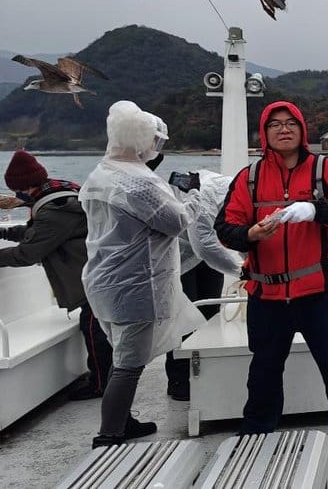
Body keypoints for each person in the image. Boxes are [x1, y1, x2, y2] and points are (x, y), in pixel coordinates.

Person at [215, 101, 328, 469]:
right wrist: (250, 234)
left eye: (291, 124)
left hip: (319, 293)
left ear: (303, 131)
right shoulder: (248, 178)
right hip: (267, 296)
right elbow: (224, 228)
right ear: (265, 133)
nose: (283, 129)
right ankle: (256, 435)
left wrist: (316, 210)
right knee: (264, 371)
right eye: (275, 125)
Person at [79, 101, 204, 447]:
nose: (157, 149)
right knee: (129, 365)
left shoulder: (100, 174)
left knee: (121, 355)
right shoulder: (140, 184)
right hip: (136, 288)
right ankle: (109, 434)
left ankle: (122, 419)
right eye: (156, 142)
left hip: (103, 281)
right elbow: (176, 221)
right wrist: (194, 194)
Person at [0, 150, 113, 400]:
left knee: (94, 330)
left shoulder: (52, 211)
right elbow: (41, 233)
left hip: (90, 277)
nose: (16, 195)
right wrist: (5, 233)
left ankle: (100, 384)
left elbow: (28, 254)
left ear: (25, 186)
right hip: (100, 270)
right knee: (97, 328)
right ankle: (103, 379)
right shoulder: (63, 192)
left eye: (17, 189)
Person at [161, 166, 244, 401]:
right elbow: (204, 244)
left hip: (203, 255)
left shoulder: (236, 191)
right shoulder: (207, 194)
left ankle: (206, 373)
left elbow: (238, 233)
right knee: (184, 319)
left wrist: (251, 262)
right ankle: (179, 382)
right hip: (177, 255)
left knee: (210, 313)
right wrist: (242, 270)